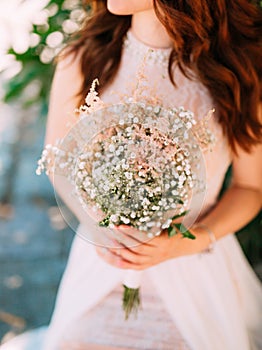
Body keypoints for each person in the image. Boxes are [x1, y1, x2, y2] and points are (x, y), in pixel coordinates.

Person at [41, 0, 262, 349]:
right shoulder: (82, 59)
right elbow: (58, 162)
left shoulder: (237, 69)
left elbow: (252, 187)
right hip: (102, 262)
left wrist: (185, 242)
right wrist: (102, 226)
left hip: (195, 269)